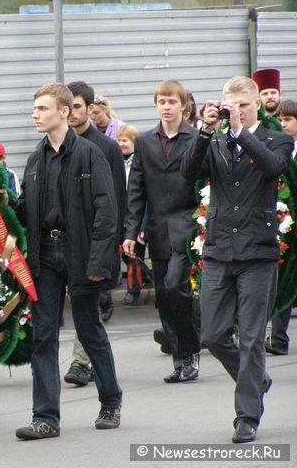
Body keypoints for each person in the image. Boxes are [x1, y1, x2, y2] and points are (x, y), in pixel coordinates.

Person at [181, 75, 292, 442]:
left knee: (251, 338)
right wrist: (204, 130)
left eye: (243, 105)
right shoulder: (214, 140)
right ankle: (257, 379)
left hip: (258, 251)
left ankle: (247, 416)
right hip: (218, 249)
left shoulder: (277, 138)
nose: (237, 111)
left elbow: (273, 167)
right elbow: (187, 174)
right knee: (213, 334)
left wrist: (241, 131)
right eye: (232, 105)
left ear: (256, 103)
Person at [15, 83, 122, 440]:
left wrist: (98, 262)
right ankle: (45, 417)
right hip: (44, 255)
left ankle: (110, 400)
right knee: (43, 336)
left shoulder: (90, 154)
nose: (35, 115)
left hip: (79, 252)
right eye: (34, 109)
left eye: (42, 109)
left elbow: (107, 212)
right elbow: (23, 209)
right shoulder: (34, 159)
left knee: (89, 329)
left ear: (64, 112)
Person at [123, 79, 201, 384]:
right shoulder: (144, 141)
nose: (166, 107)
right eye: (161, 102)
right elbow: (136, 189)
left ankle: (190, 352)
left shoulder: (196, 138)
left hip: (187, 225)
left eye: (172, 102)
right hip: (156, 228)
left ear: (184, 106)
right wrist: (131, 231)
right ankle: (180, 356)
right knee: (164, 296)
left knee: (175, 286)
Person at [60, 80, 126, 386]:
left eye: (77, 106)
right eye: (67, 107)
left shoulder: (106, 148)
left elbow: (116, 199)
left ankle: (81, 361)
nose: (71, 113)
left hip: (95, 241)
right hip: (62, 243)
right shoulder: (55, 145)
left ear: (90, 109)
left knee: (89, 305)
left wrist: (113, 243)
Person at [263, 99, 297, 356]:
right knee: (282, 280)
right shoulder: (277, 145)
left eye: (289, 120)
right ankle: (279, 338)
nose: (283, 124)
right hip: (284, 222)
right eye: (281, 119)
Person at [116, 124, 153, 306]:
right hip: (122, 217)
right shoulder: (117, 163)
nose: (121, 144)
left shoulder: (141, 162)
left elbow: (144, 197)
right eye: (119, 140)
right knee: (126, 253)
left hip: (139, 217)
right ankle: (146, 277)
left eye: (125, 140)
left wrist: (143, 226)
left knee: (134, 255)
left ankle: (134, 290)